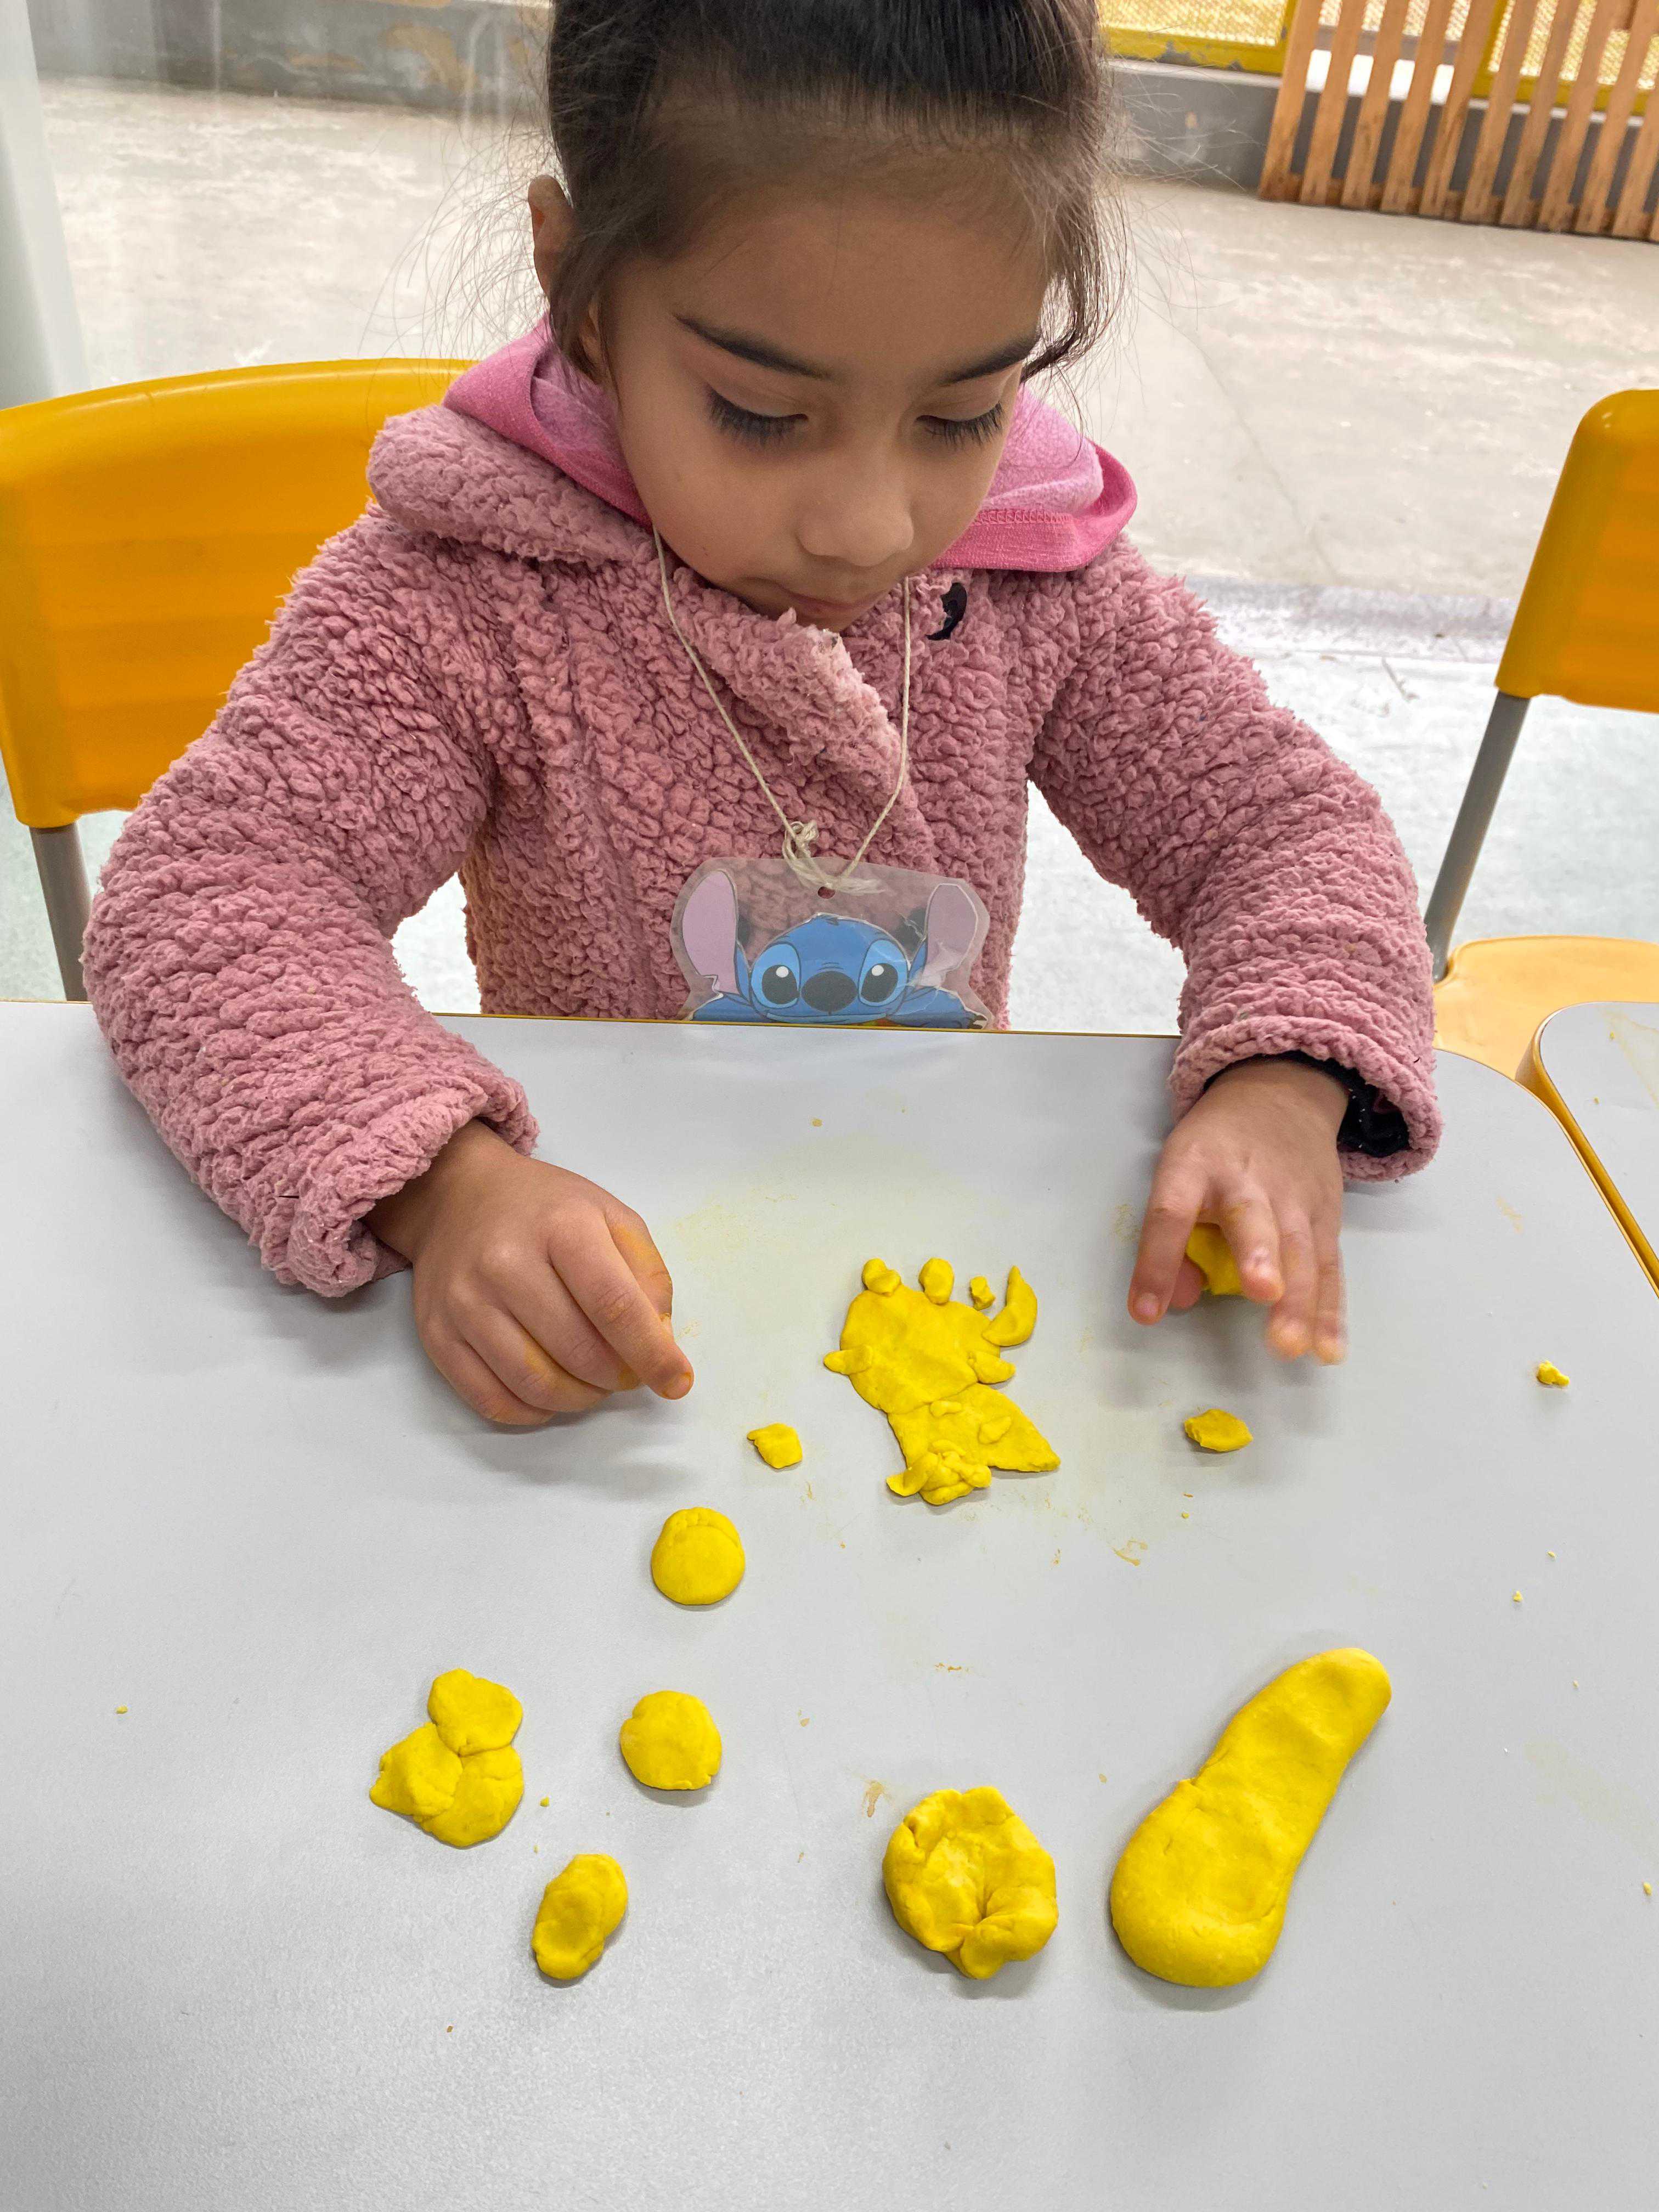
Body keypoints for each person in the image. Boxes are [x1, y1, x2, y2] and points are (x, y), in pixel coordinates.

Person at [84, 0, 1438, 1430]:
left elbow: (1287, 833)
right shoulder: (468, 590)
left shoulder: (1039, 582)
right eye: (759, 412)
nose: (871, 524)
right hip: (604, 1274)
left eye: (961, 414)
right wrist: (441, 1180)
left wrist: (1285, 1077)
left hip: (940, 1253)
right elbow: (207, 898)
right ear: (580, 292)